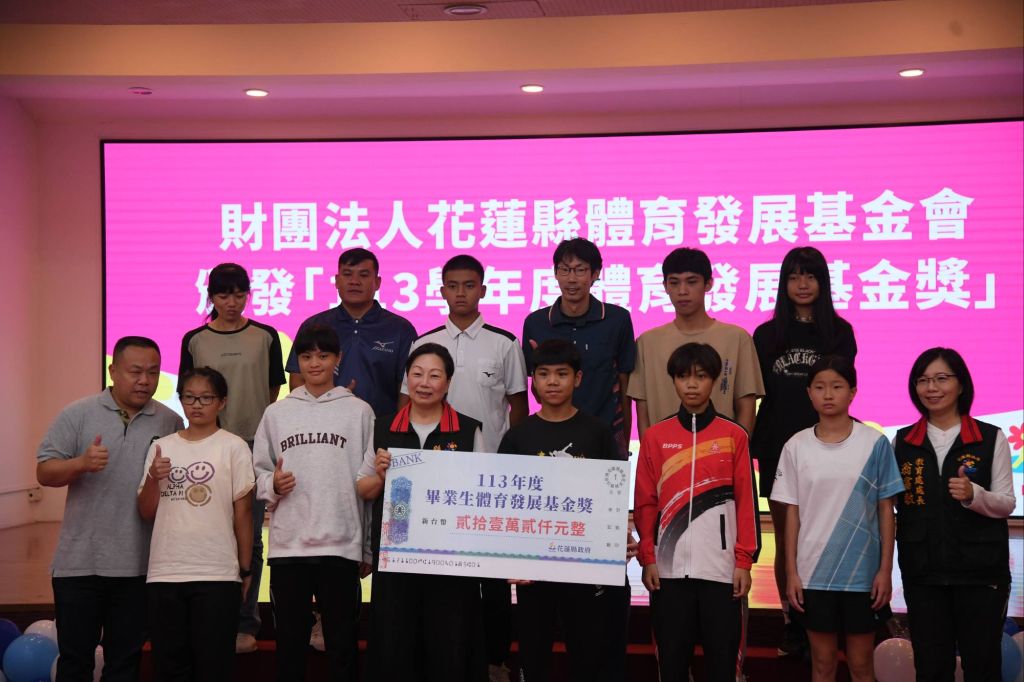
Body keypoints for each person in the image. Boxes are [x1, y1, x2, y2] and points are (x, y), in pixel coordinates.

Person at [399, 254, 528, 681]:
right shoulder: (423, 344)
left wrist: (512, 467)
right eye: (452, 286)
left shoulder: (504, 343)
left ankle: (495, 660)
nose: (460, 293)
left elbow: (518, 409)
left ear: (483, 290)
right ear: (441, 291)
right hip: (432, 478)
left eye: (469, 285)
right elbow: (406, 405)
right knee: (441, 576)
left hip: (488, 475)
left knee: (492, 574)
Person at [37, 336, 183, 681]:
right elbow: (44, 472)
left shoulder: (170, 422)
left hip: (138, 567)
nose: (145, 380)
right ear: (113, 370)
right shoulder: (77, 414)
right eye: (135, 371)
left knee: (124, 666)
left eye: (153, 372)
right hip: (79, 565)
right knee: (75, 663)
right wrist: (81, 463)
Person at [497, 339, 633, 682]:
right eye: (544, 374)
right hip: (533, 566)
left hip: (584, 564)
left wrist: (619, 533)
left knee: (588, 653)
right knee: (533, 653)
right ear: (533, 381)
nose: (553, 382)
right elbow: (505, 503)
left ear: (578, 378)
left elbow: (611, 493)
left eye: (562, 374)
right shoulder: (517, 437)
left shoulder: (597, 433)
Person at [358, 343, 487, 682]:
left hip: (451, 560)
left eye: (434, 375)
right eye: (417, 374)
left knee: (449, 643)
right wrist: (381, 476)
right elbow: (362, 488)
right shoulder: (383, 428)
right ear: (406, 379)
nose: (424, 383)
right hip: (396, 557)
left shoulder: (468, 430)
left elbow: (482, 494)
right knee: (395, 643)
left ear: (448, 382)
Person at [750, 246, 857, 658]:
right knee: (788, 538)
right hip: (778, 446)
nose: (802, 284)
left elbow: (841, 389)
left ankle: (831, 620)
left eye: (810, 276)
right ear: (783, 283)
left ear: (822, 281)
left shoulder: (839, 332)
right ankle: (792, 623)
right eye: (794, 276)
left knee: (829, 533)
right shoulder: (766, 335)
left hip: (830, 445)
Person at [770, 356, 904, 682]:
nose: (828, 394)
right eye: (819, 387)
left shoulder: (874, 443)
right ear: (809, 393)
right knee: (822, 663)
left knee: (861, 665)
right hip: (814, 574)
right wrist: (792, 572)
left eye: (837, 386)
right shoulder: (796, 446)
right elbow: (791, 514)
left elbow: (886, 510)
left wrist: (885, 571)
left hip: (862, 575)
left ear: (853, 392)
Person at [252, 325, 374, 682]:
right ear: (297, 362)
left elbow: (368, 482)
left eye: (323, 355)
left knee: (342, 647)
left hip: (341, 545)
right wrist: (272, 484)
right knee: (289, 649)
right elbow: (258, 473)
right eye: (306, 356)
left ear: (338, 359)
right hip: (289, 547)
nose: (315, 363)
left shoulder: (359, 412)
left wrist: (366, 546)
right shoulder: (277, 413)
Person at [634, 343, 760, 682]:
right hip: (668, 571)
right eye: (683, 376)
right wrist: (648, 557)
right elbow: (645, 502)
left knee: (722, 666)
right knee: (672, 665)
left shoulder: (734, 436)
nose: (692, 385)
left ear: (715, 380)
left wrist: (743, 561)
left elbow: (746, 502)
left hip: (721, 572)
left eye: (701, 377)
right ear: (673, 381)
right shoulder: (655, 437)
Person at [179, 262, 286, 653]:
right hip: (207, 446)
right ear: (211, 296)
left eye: (239, 294)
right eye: (224, 294)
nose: (232, 302)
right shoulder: (195, 339)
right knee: (207, 531)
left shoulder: (266, 336)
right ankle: (207, 617)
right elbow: (189, 391)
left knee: (251, 538)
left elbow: (272, 390)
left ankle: (245, 623)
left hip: (253, 447)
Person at [893, 348, 1015, 682]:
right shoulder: (902, 441)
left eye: (941, 378)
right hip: (923, 573)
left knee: (983, 665)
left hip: (980, 573)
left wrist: (974, 495)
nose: (931, 388)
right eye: (923, 380)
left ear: (961, 385)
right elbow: (893, 504)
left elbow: (1006, 503)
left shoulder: (989, 437)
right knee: (931, 668)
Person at [137, 367, 255, 681]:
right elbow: (146, 511)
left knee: (214, 667)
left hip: (216, 574)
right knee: (169, 667)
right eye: (189, 397)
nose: (196, 404)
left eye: (206, 398)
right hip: (165, 573)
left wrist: (245, 569)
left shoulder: (233, 447)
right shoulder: (162, 446)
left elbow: (243, 512)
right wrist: (153, 478)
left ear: (222, 402)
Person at [629, 247, 763, 437]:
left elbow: (746, 406)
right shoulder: (647, 343)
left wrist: (736, 449)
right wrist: (651, 452)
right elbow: (643, 412)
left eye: (692, 282)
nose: (682, 291)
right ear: (665, 286)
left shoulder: (737, 338)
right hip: (665, 451)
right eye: (674, 283)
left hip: (721, 450)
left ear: (708, 284)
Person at [522, 237, 636, 458]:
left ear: (595, 274)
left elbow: (625, 387)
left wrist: (623, 447)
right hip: (552, 436)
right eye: (565, 270)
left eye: (580, 270)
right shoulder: (536, 323)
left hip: (603, 436)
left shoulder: (617, 319)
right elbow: (534, 388)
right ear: (555, 273)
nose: (571, 279)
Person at [285, 247, 416, 418]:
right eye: (347, 274)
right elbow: (297, 379)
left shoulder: (400, 329)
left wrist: (398, 426)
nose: (354, 281)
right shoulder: (314, 325)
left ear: (377, 282)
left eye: (363, 275)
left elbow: (407, 386)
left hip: (382, 426)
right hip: (323, 424)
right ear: (336, 281)